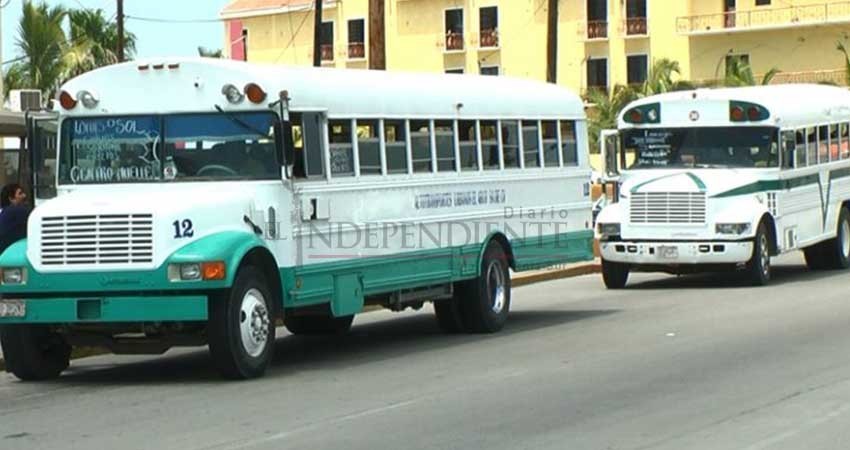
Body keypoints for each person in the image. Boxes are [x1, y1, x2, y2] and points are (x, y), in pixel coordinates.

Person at [0, 183, 31, 255]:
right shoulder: (16, 211)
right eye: (20, 193)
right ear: (11, 199)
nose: (24, 195)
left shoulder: (5, 211)